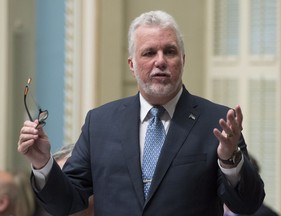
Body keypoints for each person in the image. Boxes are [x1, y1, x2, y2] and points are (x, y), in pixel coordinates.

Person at [18, 10, 265, 215]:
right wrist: (43, 163)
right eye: (149, 53)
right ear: (132, 65)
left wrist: (229, 159)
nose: (160, 61)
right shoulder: (100, 123)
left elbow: (247, 204)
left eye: (170, 51)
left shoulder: (217, 122)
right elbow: (66, 202)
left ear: (183, 60)